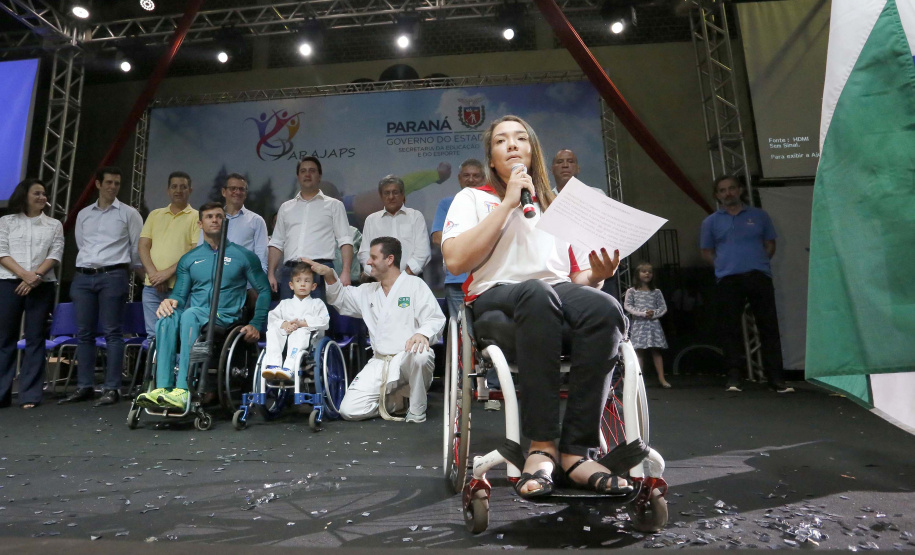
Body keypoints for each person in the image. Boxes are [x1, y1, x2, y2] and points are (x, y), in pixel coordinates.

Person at [441, 115, 631, 499]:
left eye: (520, 139)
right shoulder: (473, 198)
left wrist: (596, 275)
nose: (512, 145)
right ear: (492, 159)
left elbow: (577, 279)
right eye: (501, 141)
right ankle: (540, 447)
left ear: (532, 152)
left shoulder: (559, 208)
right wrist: (509, 202)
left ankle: (577, 453)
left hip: (556, 293)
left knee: (605, 307)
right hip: (498, 298)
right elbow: (456, 260)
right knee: (535, 292)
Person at [135, 202, 270, 410]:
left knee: (189, 314)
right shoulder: (190, 258)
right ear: (200, 223)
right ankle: (161, 389)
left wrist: (256, 323)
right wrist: (170, 302)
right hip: (196, 316)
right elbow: (179, 295)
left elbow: (264, 290)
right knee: (167, 318)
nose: (214, 220)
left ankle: (184, 389)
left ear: (225, 222)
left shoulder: (243, 256)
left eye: (218, 216)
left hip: (226, 317)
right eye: (209, 217)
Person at [305, 237, 445, 423]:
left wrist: (422, 333)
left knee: (422, 353)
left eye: (373, 257)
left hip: (407, 358)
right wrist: (329, 274)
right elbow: (340, 298)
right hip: (380, 362)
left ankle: (417, 408)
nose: (368, 262)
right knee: (349, 410)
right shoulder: (367, 291)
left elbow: (435, 318)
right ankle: (398, 402)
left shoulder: (415, 285)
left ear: (389, 259)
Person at [700, 175, 792, 393]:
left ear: (740, 190)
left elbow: (770, 245)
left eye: (732, 188)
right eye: (722, 190)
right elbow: (706, 252)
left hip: (758, 276)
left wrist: (756, 263)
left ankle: (776, 379)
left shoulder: (759, 216)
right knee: (730, 329)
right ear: (717, 195)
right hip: (728, 279)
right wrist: (725, 266)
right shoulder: (710, 222)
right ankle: (733, 378)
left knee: (768, 327)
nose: (728, 193)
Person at [61, 167, 143, 407]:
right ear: (98, 184)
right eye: (108, 182)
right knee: (84, 333)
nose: (112, 187)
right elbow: (81, 244)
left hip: (113, 274)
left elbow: (136, 249)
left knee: (112, 332)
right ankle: (85, 386)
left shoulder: (128, 213)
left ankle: (112, 388)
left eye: (117, 183)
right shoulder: (85, 214)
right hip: (84, 275)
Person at [0, 179, 64, 409]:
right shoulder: (6, 222)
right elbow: (1, 252)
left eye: (44, 194)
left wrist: (34, 276)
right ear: (24, 196)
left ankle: (30, 395)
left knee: (35, 338)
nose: (42, 197)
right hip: (8, 283)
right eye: (37, 193)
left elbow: (55, 255)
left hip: (41, 284)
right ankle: (2, 394)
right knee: (5, 338)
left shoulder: (54, 225)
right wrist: (24, 275)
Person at [268, 156, 353, 301]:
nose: (307, 174)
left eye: (312, 171)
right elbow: (276, 243)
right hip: (290, 271)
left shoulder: (334, 205)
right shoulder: (286, 208)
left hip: (320, 270)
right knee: (289, 320)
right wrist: (270, 273)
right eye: (303, 171)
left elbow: (345, 240)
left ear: (319, 176)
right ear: (298, 176)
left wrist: (345, 272)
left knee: (318, 321)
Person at [138, 171, 199, 340]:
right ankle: (156, 367)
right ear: (168, 190)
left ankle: (174, 368)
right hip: (152, 287)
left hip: (180, 288)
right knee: (153, 336)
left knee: (178, 337)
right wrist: (154, 275)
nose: (178, 190)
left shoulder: (197, 217)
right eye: (174, 187)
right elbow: (143, 246)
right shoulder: (155, 215)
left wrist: (166, 274)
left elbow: (193, 252)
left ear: (190, 190)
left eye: (183, 187)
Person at [198, 173, 269, 306]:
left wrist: (255, 287)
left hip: (244, 291)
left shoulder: (256, 221)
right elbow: (201, 252)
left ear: (246, 194)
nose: (237, 192)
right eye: (233, 188)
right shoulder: (213, 220)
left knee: (243, 327)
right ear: (224, 192)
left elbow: (262, 258)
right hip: (213, 289)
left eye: (241, 189)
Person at [431, 158, 485, 319]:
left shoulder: (492, 202)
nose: (471, 179)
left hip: (486, 278)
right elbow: (437, 237)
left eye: (476, 176)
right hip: (457, 280)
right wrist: (475, 245)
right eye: (466, 175)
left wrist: (459, 242)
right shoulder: (447, 203)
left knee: (487, 326)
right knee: (461, 331)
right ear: (459, 178)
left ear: (484, 178)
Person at [262, 262, 330, 381]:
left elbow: (324, 321)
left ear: (313, 286)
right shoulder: (285, 303)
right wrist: (285, 324)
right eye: (298, 281)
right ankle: (273, 365)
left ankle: (289, 368)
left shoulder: (317, 303)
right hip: (286, 333)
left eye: (307, 281)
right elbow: (272, 318)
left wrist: (301, 324)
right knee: (273, 331)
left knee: (299, 333)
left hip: (308, 338)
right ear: (291, 285)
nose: (302, 284)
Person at [358, 175, 431, 277]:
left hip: (411, 278)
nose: (391, 197)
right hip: (378, 280)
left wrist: (404, 277)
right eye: (386, 193)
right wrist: (374, 274)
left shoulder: (415, 216)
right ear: (381, 195)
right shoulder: (371, 220)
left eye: (395, 192)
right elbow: (364, 253)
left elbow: (423, 252)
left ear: (402, 194)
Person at [624, 262, 670, 388]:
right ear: (637, 274)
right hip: (639, 324)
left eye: (649, 271)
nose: (647, 273)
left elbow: (663, 307)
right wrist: (643, 313)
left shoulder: (656, 291)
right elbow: (628, 306)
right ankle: (638, 380)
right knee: (639, 352)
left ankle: (662, 378)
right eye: (644, 271)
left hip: (653, 324)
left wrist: (653, 314)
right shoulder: (632, 291)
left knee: (656, 351)